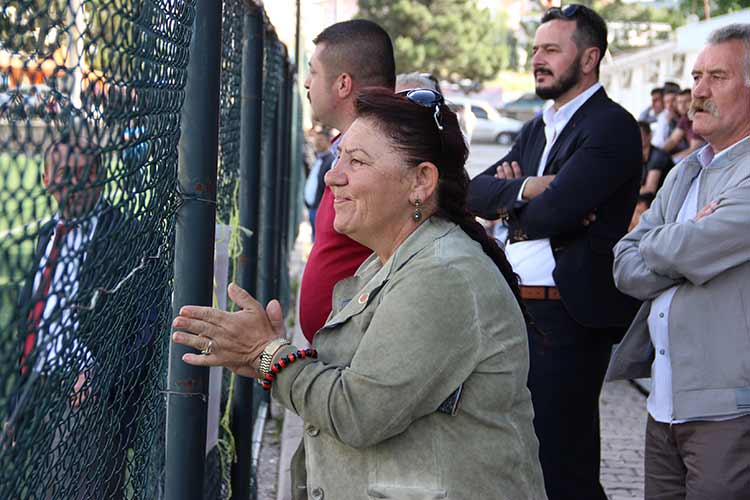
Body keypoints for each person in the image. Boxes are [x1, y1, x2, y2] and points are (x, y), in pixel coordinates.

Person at [173, 89, 547, 500]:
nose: (333, 175)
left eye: (358, 161)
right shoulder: (392, 260)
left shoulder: (441, 274)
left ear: (421, 181)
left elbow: (359, 411)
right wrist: (265, 357)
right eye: (339, 157)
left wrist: (269, 355)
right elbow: (365, 380)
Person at [467, 5, 641, 500]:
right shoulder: (538, 126)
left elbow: (555, 214)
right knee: (518, 453)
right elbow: (473, 191)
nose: (537, 59)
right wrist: (532, 191)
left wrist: (516, 204)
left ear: (589, 57)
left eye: (551, 49)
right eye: (535, 48)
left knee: (563, 465)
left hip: (565, 316)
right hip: (517, 309)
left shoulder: (611, 126)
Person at [607, 23, 750, 500]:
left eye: (718, 77)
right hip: (664, 406)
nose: (699, 91)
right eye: (695, 77)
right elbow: (624, 264)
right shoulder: (687, 170)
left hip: (727, 410)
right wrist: (680, 241)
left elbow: (680, 248)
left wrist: (668, 240)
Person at [8, 134, 156, 498]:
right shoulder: (48, 235)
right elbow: (32, 319)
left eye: (82, 173)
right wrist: (15, 405)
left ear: (100, 176)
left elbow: (145, 329)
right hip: (38, 388)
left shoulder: (129, 238)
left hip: (88, 396)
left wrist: (99, 380)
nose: (71, 183)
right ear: (45, 179)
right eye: (62, 173)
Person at [299, 19, 395, 343]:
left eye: (313, 72)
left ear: (342, 85)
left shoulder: (388, 153)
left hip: (361, 356)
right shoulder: (348, 148)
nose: (306, 84)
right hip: (337, 352)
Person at [303, 128, 334, 241]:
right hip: (313, 208)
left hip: (319, 209)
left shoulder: (330, 161)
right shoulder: (319, 159)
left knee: (317, 240)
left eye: (321, 140)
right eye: (317, 139)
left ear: (328, 142)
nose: (317, 142)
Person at [662, 88, 705, 161]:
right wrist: (657, 154)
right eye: (679, 102)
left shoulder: (698, 118)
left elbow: (695, 149)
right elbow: (672, 140)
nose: (682, 106)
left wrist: (669, 161)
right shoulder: (685, 118)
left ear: (694, 102)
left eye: (687, 102)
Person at [638, 120, 674, 194]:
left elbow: (650, 189)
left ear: (649, 136)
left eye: (639, 134)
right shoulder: (638, 156)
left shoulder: (658, 156)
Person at [651, 82, 680, 148]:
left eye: (673, 101)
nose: (670, 105)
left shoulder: (685, 118)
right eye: (667, 102)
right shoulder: (663, 115)